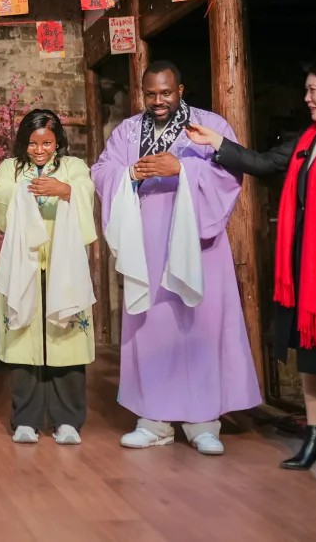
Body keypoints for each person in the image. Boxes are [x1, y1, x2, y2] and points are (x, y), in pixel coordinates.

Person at [187, 54, 316, 477]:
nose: (307, 98)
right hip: (308, 265)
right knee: (313, 355)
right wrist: (217, 143)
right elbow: (264, 163)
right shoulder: (306, 140)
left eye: (314, 90)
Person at [90, 60, 261, 455]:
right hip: (147, 243)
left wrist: (181, 168)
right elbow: (101, 170)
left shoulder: (208, 125)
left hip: (198, 242)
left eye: (166, 93)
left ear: (180, 90)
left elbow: (229, 174)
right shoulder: (128, 130)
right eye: (150, 94)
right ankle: (154, 420)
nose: (158, 101)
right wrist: (128, 174)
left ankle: (204, 422)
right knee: (153, 328)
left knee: (200, 326)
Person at [0, 109, 97, 444]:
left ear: (57, 142)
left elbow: (84, 190)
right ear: (24, 141)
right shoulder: (10, 169)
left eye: (47, 143)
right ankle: (26, 419)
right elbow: (0, 196)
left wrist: (65, 190)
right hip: (24, 266)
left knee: (67, 340)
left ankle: (68, 420)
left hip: (64, 266)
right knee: (24, 340)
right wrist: (24, 191)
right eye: (33, 143)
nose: (39, 150)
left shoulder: (73, 167)